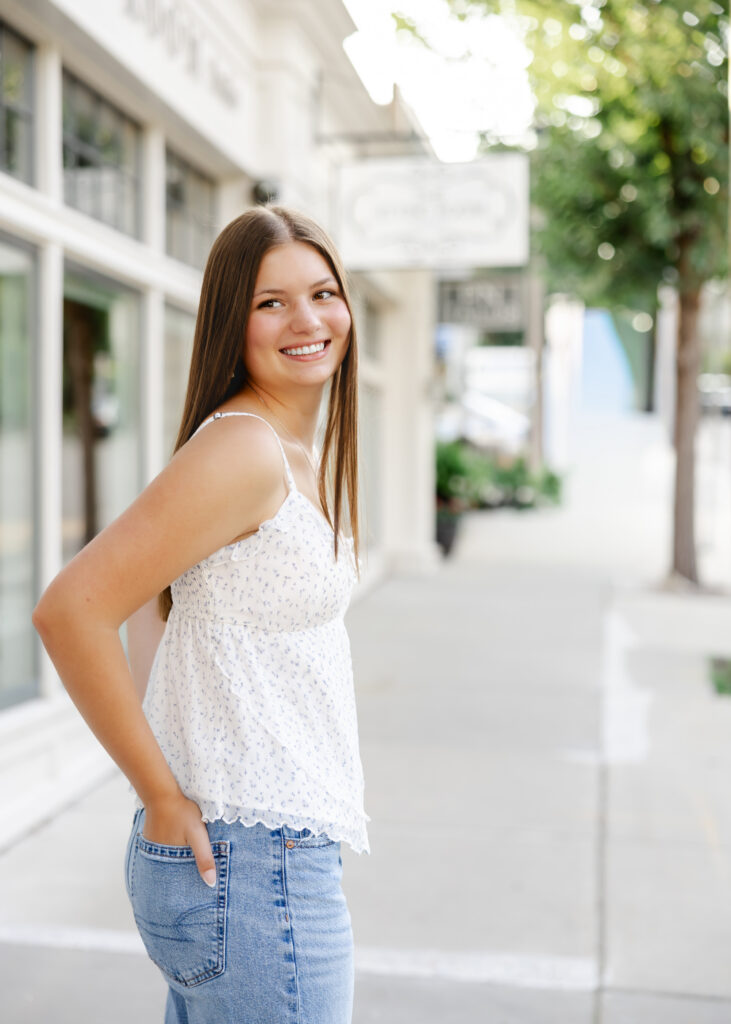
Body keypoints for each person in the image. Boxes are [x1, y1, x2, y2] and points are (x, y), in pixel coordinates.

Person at [32, 205, 370, 1024]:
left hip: (262, 853)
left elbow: (158, 616)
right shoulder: (244, 448)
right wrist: (162, 794)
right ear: (232, 322)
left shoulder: (289, 451)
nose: (307, 320)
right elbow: (71, 610)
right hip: (254, 863)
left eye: (323, 293)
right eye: (270, 302)